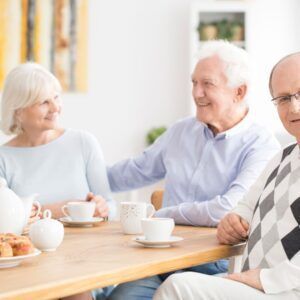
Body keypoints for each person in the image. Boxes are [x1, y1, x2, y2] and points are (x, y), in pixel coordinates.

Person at [106, 40, 280, 300]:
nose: (197, 93)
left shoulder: (263, 146)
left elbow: (227, 209)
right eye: (194, 83)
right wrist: (84, 176)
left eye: (207, 84)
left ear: (239, 92)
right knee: (120, 297)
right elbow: (136, 170)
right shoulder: (181, 131)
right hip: (162, 261)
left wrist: (164, 214)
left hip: (219, 266)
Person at [153, 52, 300, 300]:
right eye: (284, 98)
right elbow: (240, 212)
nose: (294, 106)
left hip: (286, 291)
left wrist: (266, 279)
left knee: (178, 288)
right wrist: (232, 224)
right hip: (252, 283)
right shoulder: (282, 156)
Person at [0, 62, 115, 300]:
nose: (56, 108)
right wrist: (61, 208)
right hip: (28, 268)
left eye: (56, 97)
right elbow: (5, 227)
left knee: (73, 291)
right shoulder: (4, 157)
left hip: (84, 263)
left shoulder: (83, 143)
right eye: (44, 102)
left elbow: (111, 206)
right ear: (18, 110)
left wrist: (103, 209)